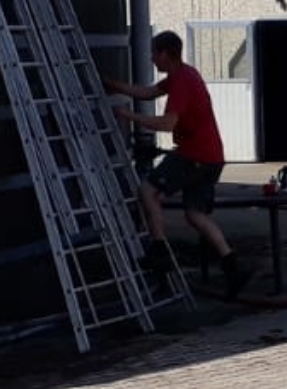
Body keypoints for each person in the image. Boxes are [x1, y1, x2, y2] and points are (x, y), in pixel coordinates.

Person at [104, 31, 250, 298]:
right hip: (212, 157)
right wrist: (116, 86)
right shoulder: (184, 75)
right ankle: (233, 266)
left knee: (147, 191)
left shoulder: (181, 82)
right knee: (195, 215)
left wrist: (128, 115)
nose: (151, 58)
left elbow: (167, 123)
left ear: (165, 53)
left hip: (194, 155)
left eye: (153, 53)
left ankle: (159, 251)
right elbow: (148, 92)